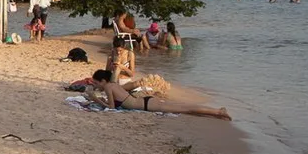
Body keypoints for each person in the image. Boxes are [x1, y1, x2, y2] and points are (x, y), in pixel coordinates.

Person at [87, 69, 231, 119]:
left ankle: (218, 111)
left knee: (185, 109)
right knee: (183, 108)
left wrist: (95, 99)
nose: (95, 85)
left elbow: (111, 107)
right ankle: (215, 113)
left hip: (146, 105)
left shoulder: (108, 88)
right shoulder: (113, 85)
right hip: (146, 101)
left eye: (96, 83)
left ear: (103, 81)